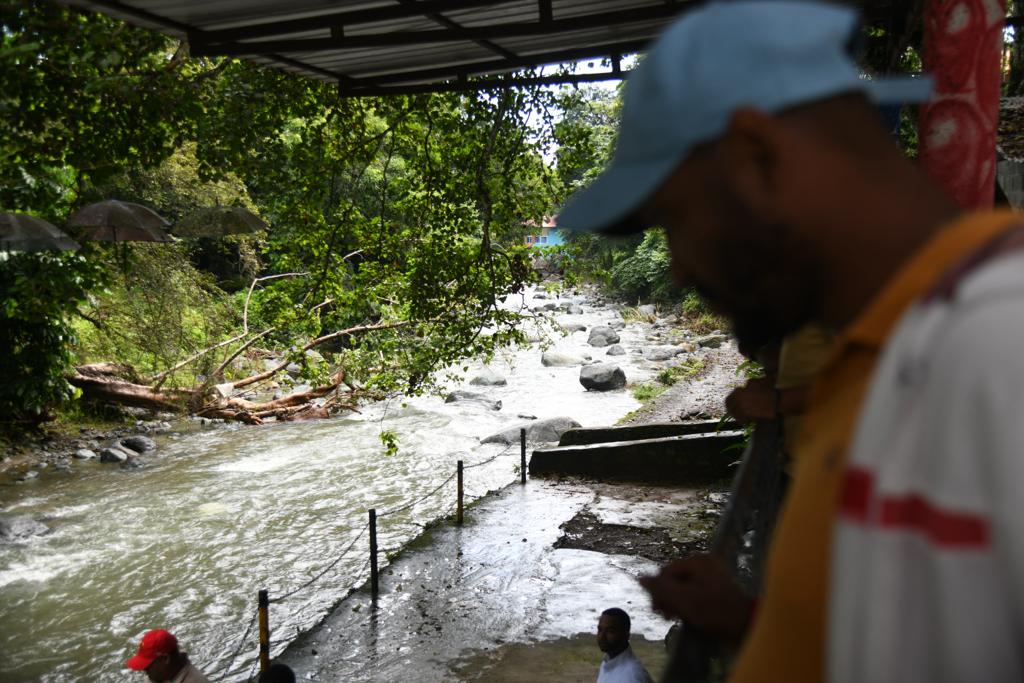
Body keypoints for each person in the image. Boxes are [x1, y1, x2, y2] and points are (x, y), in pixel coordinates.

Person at [558, 2, 1024, 682]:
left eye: (673, 218)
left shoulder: (998, 349)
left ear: (753, 157)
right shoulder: (871, 363)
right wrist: (757, 624)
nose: (681, 267)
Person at [126, 629, 210, 683]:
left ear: (165, 659)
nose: (144, 669)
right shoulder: (154, 676)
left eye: (148, 665)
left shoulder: (196, 680)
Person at [596, 608, 654, 683]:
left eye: (610, 631)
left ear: (626, 635)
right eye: (600, 630)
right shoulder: (607, 662)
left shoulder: (632, 676)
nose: (601, 636)